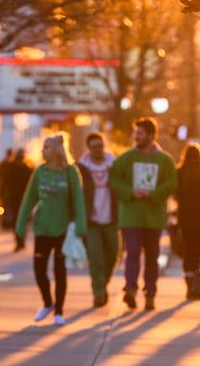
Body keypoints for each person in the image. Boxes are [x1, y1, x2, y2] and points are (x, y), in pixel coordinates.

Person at [15, 133, 87, 326]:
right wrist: (20, 224)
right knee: (39, 268)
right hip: (42, 227)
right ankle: (48, 303)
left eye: (47, 147)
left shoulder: (70, 172)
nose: (43, 151)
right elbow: (29, 198)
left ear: (57, 150)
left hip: (63, 229)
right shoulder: (40, 172)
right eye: (43, 147)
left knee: (59, 269)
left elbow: (78, 200)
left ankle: (59, 311)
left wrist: (81, 225)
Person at [110, 117, 178, 310]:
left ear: (150, 135)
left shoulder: (165, 160)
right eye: (135, 133)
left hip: (154, 217)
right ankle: (130, 289)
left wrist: (153, 193)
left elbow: (171, 184)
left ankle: (150, 293)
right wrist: (131, 191)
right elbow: (114, 180)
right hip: (131, 215)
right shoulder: (126, 158)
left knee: (152, 256)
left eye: (139, 133)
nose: (136, 137)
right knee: (132, 253)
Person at [76, 132, 119, 307]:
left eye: (100, 146)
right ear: (89, 148)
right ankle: (98, 292)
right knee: (96, 258)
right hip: (91, 220)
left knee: (113, 255)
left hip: (111, 218)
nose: (97, 150)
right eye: (94, 147)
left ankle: (103, 283)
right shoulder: (81, 168)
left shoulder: (113, 165)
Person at [175, 143, 200, 300]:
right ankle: (197, 288)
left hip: (184, 217)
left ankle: (188, 286)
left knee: (187, 251)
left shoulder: (179, 173)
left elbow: (175, 194)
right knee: (198, 252)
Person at [7, 149, 34, 252]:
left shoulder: (26, 168)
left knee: (19, 220)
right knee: (20, 220)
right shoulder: (25, 168)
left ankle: (20, 240)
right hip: (19, 197)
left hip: (19, 197)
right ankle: (20, 240)